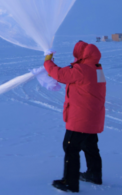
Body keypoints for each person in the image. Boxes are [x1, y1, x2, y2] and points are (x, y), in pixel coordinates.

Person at [44, 41, 106, 193]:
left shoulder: (82, 69)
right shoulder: (97, 69)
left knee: (70, 147)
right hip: (93, 116)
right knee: (90, 146)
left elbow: (61, 75)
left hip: (81, 117)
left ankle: (69, 182)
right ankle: (94, 174)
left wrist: (48, 62)